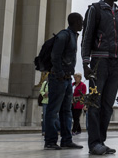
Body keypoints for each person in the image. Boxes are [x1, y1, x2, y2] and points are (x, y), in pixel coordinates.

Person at [81, 0, 118, 155]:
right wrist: (86, 63)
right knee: (95, 103)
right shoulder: (95, 9)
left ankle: (101, 141)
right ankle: (94, 143)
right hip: (98, 62)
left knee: (108, 105)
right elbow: (87, 36)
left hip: (115, 63)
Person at [44, 13, 84, 150]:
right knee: (53, 110)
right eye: (81, 22)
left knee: (66, 111)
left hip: (67, 79)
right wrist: (60, 73)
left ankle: (67, 140)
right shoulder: (64, 35)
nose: (82, 24)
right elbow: (55, 55)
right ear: (75, 22)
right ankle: (50, 141)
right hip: (58, 78)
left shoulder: (72, 35)